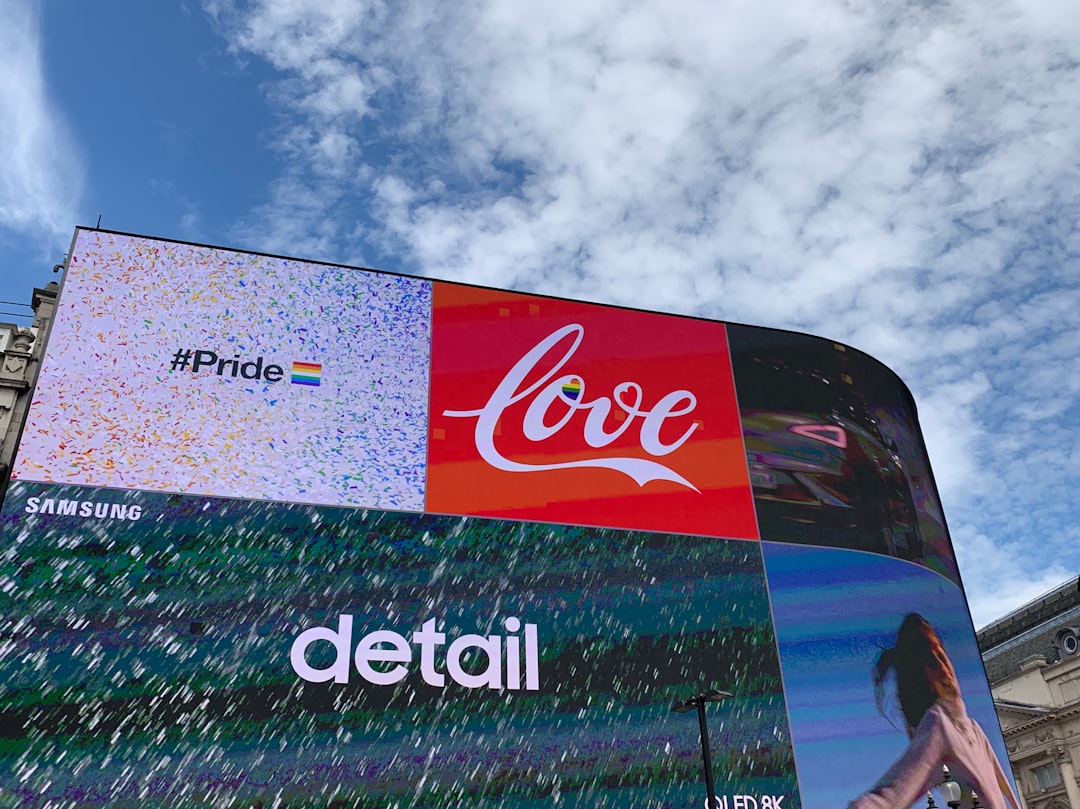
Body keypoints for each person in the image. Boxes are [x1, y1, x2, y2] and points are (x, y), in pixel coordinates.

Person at [848, 614, 1021, 809]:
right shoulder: (938, 724)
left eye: (940, 655)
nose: (942, 667)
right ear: (924, 680)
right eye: (931, 663)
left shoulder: (974, 729)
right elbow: (888, 796)